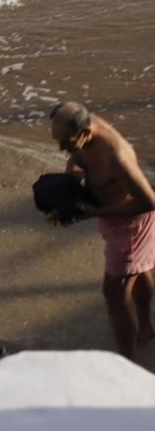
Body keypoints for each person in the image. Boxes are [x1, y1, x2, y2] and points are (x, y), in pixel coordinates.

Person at [50, 102, 155, 360]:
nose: (62, 148)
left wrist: (96, 213)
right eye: (58, 140)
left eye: (68, 143)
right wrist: (69, 184)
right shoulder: (82, 126)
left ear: (87, 132)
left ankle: (125, 362)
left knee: (115, 298)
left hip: (131, 224)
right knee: (140, 270)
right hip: (116, 219)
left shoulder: (116, 157)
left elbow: (150, 201)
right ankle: (146, 327)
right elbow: (77, 159)